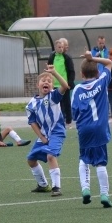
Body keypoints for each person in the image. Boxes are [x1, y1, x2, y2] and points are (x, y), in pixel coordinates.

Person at [72, 51, 112, 208]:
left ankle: (85, 190)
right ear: (97, 72)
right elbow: (109, 62)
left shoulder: (77, 90)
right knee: (101, 162)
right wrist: (92, 58)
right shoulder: (101, 81)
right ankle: (104, 194)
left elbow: (75, 112)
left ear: (81, 74)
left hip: (84, 129)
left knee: (84, 159)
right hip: (100, 128)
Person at [26, 65, 69, 197]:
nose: (46, 82)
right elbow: (32, 122)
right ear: (37, 85)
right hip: (44, 134)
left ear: (51, 86)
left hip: (57, 132)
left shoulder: (53, 97)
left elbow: (65, 86)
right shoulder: (31, 104)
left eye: (49, 81)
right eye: (43, 80)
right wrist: (42, 137)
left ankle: (56, 187)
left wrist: (54, 73)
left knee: (50, 156)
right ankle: (43, 185)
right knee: (31, 159)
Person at [47, 38, 75, 126]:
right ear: (55, 47)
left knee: (66, 103)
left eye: (62, 47)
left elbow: (71, 71)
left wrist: (69, 83)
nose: (61, 49)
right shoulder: (52, 57)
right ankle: (59, 121)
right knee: (57, 104)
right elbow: (49, 69)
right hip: (54, 85)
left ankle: (69, 121)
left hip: (64, 84)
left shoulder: (67, 58)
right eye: (59, 47)